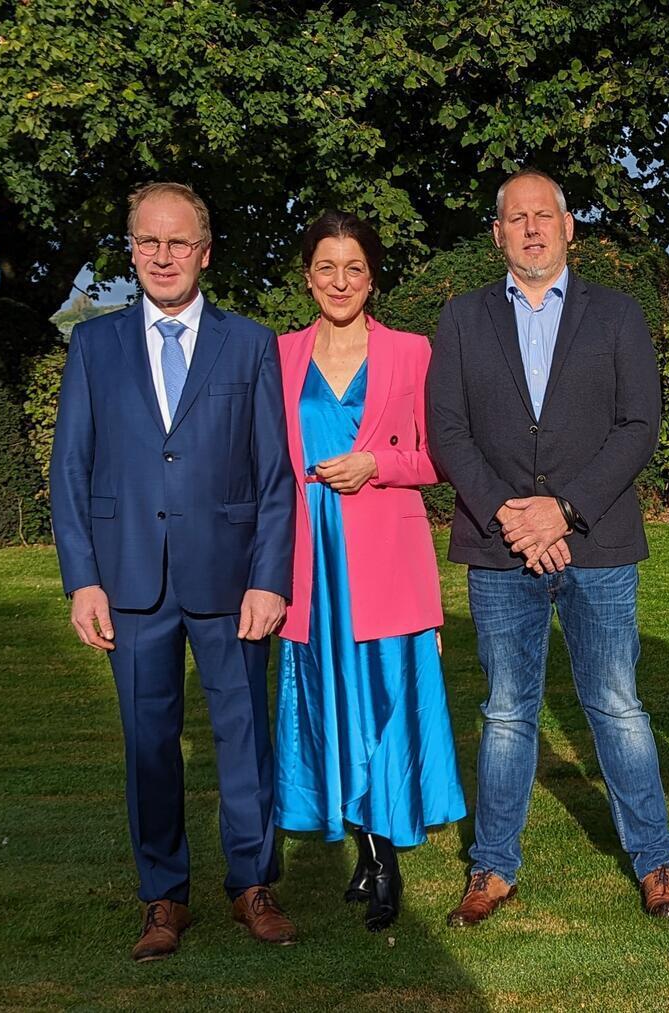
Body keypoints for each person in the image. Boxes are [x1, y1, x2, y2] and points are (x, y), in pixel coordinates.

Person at [426, 168, 669, 927]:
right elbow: (449, 430)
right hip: (499, 543)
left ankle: (656, 856)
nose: (533, 228)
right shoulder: (464, 319)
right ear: (498, 233)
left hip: (596, 543)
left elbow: (640, 424)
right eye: (517, 217)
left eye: (545, 215)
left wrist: (563, 511)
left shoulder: (617, 314)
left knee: (617, 703)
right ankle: (493, 867)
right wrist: (513, 516)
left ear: (570, 227)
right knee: (507, 711)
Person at [50, 182, 298, 961]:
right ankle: (163, 896)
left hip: (230, 583)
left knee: (244, 738)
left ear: (205, 252)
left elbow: (274, 476)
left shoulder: (249, 343)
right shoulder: (94, 346)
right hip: (129, 584)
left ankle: (253, 884)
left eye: (178, 242)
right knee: (147, 740)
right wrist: (82, 579)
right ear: (131, 251)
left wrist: (269, 577)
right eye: (148, 242)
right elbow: (71, 471)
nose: (163, 256)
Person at [273, 210, 466, 932]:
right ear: (307, 275)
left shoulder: (412, 353)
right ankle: (361, 845)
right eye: (327, 267)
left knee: (384, 703)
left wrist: (375, 465)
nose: (341, 281)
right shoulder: (282, 354)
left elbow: (440, 457)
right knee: (331, 706)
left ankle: (387, 859)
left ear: (373, 276)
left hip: (385, 557)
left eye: (354, 268)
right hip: (309, 562)